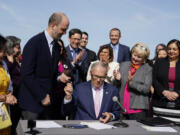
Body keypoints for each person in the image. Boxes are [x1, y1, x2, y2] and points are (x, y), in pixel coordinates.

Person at [19, 12, 69, 120]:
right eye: (63, 29)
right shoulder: (34, 43)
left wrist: (59, 78)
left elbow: (50, 73)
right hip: (32, 104)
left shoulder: (55, 46)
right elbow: (26, 74)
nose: (64, 33)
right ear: (53, 25)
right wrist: (41, 96)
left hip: (47, 104)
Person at [114, 42, 152, 120]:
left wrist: (131, 83)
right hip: (122, 107)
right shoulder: (123, 65)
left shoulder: (148, 69)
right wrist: (117, 80)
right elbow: (117, 86)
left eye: (139, 57)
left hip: (138, 109)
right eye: (134, 55)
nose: (135, 58)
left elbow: (146, 89)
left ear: (144, 59)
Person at [153, 39, 180, 122]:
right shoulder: (159, 62)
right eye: (169, 49)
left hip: (178, 104)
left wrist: (178, 93)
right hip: (160, 102)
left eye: (174, 49)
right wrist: (163, 91)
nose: (171, 51)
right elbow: (153, 79)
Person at [4, 36, 21, 135]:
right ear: (10, 47)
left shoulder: (15, 61)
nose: (19, 50)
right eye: (17, 47)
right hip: (8, 98)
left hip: (17, 98)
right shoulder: (5, 61)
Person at [51, 39, 73, 119]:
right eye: (57, 47)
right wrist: (58, 78)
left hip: (62, 97)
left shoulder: (66, 61)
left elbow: (71, 75)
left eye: (61, 47)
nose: (60, 49)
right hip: (50, 96)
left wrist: (68, 79)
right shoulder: (48, 60)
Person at [0, 34, 17, 135]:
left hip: (3, 111)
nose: (3, 54)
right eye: (1, 51)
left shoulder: (3, 64)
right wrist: (5, 98)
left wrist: (10, 94)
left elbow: (9, 83)